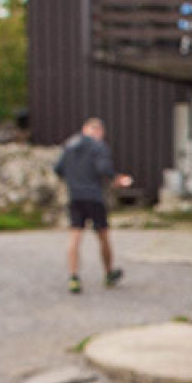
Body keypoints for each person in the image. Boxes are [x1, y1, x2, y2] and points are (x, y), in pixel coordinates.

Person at [54, 118, 131, 294]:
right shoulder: (98, 146)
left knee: (75, 235)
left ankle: (73, 277)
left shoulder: (70, 145)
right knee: (103, 235)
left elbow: (58, 168)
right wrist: (116, 179)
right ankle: (109, 273)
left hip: (75, 196)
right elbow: (103, 168)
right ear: (98, 131)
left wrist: (74, 179)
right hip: (94, 196)